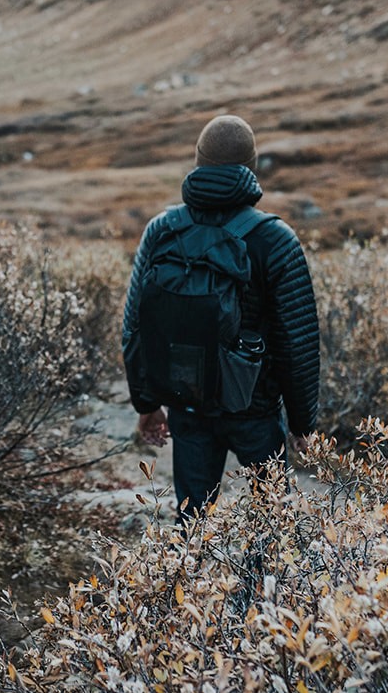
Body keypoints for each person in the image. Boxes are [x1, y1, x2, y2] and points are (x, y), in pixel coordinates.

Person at [122, 114, 319, 517]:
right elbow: (296, 342)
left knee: (193, 521)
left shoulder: (162, 230)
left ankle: (186, 581)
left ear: (198, 162)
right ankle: (261, 583)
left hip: (187, 403)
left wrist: (147, 404)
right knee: (272, 523)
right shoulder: (275, 240)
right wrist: (302, 423)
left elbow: (134, 326)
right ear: (250, 165)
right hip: (255, 409)